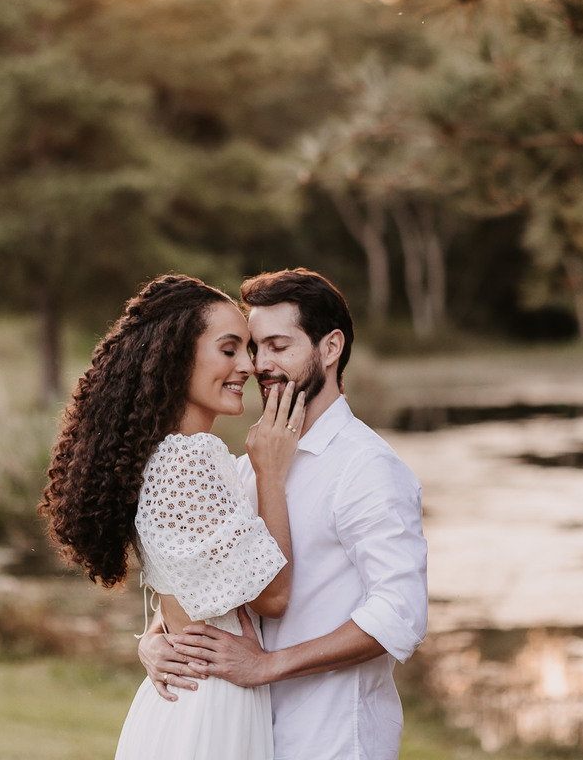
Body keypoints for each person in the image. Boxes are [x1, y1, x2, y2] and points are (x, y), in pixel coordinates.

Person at [139, 268, 429, 760]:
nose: (259, 365)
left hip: (332, 739)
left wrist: (267, 666)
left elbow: (400, 614)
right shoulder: (249, 465)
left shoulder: (367, 468)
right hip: (244, 734)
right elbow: (211, 578)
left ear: (330, 348)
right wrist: (155, 639)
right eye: (255, 348)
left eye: (278, 346)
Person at [38, 274, 306, 760]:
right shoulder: (190, 459)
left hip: (187, 696)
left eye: (247, 350)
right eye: (229, 349)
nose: (248, 366)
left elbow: (193, 588)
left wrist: (153, 636)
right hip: (211, 702)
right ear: (177, 358)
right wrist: (270, 473)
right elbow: (274, 596)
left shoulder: (159, 456)